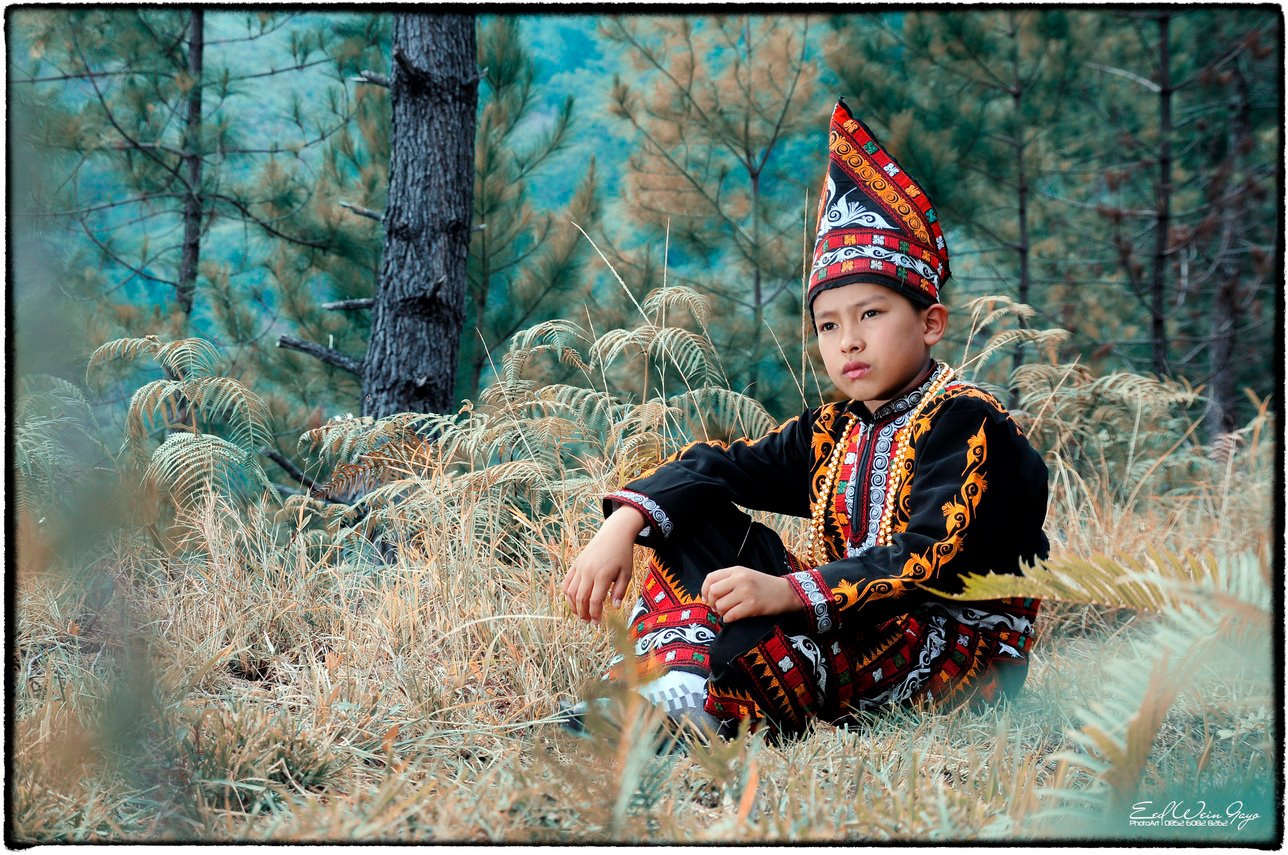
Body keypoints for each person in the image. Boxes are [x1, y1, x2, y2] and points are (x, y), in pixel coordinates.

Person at [560, 98, 1049, 739]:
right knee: (693, 518)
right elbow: (713, 467)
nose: (849, 341)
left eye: (870, 314)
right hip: (851, 625)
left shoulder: (969, 422)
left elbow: (926, 557)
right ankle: (679, 692)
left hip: (950, 656)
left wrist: (789, 593)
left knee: (748, 632)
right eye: (828, 325)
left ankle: (694, 697)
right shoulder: (836, 430)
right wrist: (622, 523)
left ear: (931, 323)